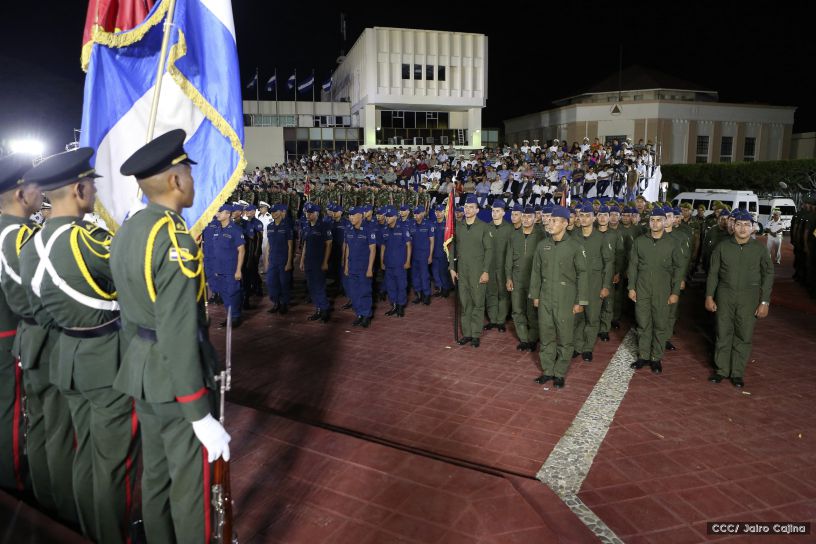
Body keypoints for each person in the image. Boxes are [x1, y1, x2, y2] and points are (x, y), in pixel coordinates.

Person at [110, 129, 230, 543]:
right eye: (189, 174)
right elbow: (179, 331)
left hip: (142, 373)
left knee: (156, 477)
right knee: (189, 487)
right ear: (177, 181)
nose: (194, 181)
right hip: (177, 382)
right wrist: (199, 413)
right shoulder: (173, 238)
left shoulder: (129, 230)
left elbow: (128, 313)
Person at [24, 148, 140, 543]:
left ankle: (86, 526)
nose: (93, 191)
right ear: (78, 188)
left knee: (85, 456)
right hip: (104, 360)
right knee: (113, 463)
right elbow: (131, 278)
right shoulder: (82, 240)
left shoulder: (31, 246)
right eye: (90, 185)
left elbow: (38, 313)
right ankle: (112, 535)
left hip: (66, 357)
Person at [0, 155, 77, 524]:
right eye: (34, 187)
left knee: (30, 420)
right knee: (22, 417)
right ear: (20, 192)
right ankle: (23, 485)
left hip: (15, 336)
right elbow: (24, 298)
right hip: (22, 336)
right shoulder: (14, 234)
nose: (39, 193)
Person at [705, 209, 773, 387]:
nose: (742, 228)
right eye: (739, 224)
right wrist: (709, 296)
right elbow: (713, 274)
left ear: (753, 228)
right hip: (725, 294)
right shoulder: (722, 247)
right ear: (733, 226)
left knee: (743, 334)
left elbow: (768, 275)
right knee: (723, 332)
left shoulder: (759, 249)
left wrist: (764, 301)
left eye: (747, 225)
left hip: (749, 297)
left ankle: (737, 372)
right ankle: (721, 370)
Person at [529, 205, 588, 388]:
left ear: (564, 223)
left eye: (554, 221)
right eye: (550, 220)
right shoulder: (542, 246)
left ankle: (560, 372)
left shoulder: (575, 247)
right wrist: (535, 295)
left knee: (564, 337)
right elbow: (536, 272)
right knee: (546, 335)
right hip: (546, 296)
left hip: (566, 298)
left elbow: (583, 274)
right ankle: (547, 370)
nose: (549, 223)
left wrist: (581, 301)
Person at [0, 155, 31, 494]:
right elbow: (26, 294)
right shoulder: (17, 235)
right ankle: (12, 481)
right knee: (10, 412)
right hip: (9, 333)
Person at [627, 208, 684, 374]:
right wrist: (631, 287)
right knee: (643, 323)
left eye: (659, 220)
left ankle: (656, 358)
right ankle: (643, 356)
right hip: (643, 289)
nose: (655, 223)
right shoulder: (640, 242)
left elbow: (678, 269)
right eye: (653, 220)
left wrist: (674, 292)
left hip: (663, 290)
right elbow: (633, 266)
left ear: (665, 222)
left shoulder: (673, 243)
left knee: (660, 325)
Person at [449, 194, 493, 348]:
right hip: (462, 270)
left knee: (477, 303)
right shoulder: (458, 226)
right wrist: (452, 268)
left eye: (471, 207)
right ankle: (467, 333)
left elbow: (489, 250)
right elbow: (453, 248)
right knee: (465, 303)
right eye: (466, 207)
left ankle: (475, 334)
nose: (467, 210)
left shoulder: (483, 227)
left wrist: (486, 271)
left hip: (477, 270)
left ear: (477, 210)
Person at [572, 204, 613, 362]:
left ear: (594, 218)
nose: (584, 219)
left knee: (592, 318)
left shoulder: (601, 238)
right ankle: (577, 346)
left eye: (587, 216)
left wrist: (605, 286)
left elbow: (608, 263)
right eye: (581, 216)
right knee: (577, 318)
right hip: (576, 285)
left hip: (595, 284)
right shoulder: (573, 237)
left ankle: (588, 348)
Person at [506, 205, 546, 352]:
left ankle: (532, 338)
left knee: (532, 311)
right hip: (517, 278)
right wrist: (508, 278)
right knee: (517, 309)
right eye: (524, 216)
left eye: (530, 217)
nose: (527, 219)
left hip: (534, 280)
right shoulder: (514, 235)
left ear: (535, 218)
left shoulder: (541, 235)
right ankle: (523, 338)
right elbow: (508, 259)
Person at [209, 204, 245, 327]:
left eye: (221, 212)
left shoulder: (235, 229)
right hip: (219, 269)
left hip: (231, 269)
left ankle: (236, 317)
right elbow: (216, 251)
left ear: (228, 214)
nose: (218, 214)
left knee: (232, 293)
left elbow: (241, 250)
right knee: (224, 293)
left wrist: (238, 270)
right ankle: (230, 316)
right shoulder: (217, 229)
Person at [344, 207, 377, 327]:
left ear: (360, 216)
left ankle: (366, 315)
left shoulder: (368, 229)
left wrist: (369, 268)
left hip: (364, 267)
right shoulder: (349, 230)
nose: (351, 218)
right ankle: (359, 314)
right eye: (350, 215)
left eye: (353, 215)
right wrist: (346, 266)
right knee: (354, 292)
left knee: (364, 292)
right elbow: (348, 248)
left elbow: (373, 249)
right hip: (352, 266)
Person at [484, 199, 513, 332]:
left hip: (503, 267)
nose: (494, 213)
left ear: (503, 213)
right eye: (493, 211)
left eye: (497, 211)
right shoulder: (486, 228)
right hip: (489, 266)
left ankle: (501, 320)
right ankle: (493, 319)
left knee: (503, 294)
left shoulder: (509, 229)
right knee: (491, 293)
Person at [301, 202, 332, 322]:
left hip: (319, 261)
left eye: (310, 213)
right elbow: (305, 244)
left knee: (319, 286)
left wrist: (325, 262)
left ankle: (324, 310)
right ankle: (318, 309)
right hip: (309, 261)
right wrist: (302, 260)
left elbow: (329, 245)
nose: (308, 215)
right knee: (311, 286)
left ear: (317, 213)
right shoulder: (306, 226)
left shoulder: (324, 226)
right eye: (306, 212)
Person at [381, 208, 412, 317]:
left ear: (395, 217)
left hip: (400, 263)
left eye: (389, 216)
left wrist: (408, 261)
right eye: (386, 216)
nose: (387, 218)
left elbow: (409, 246)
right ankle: (394, 305)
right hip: (389, 263)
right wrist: (382, 261)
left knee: (401, 285)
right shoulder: (385, 229)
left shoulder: (403, 228)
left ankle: (400, 306)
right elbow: (383, 247)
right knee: (390, 286)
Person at [266, 204, 293, 314]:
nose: (274, 213)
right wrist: (266, 259)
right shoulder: (270, 226)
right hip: (273, 259)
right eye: (272, 212)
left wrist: (289, 262)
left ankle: (284, 304)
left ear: (281, 212)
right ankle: (276, 302)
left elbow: (291, 246)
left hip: (283, 259)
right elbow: (268, 244)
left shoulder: (287, 227)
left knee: (284, 282)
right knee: (272, 282)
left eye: (276, 211)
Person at [409, 206, 434, 305]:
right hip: (414, 255)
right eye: (415, 213)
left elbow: (432, 241)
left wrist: (430, 255)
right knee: (415, 276)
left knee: (424, 275)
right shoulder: (411, 225)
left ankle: (427, 295)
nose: (416, 215)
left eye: (418, 213)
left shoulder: (428, 224)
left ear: (423, 213)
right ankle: (418, 294)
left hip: (424, 254)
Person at [431, 204, 453, 297]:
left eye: (440, 211)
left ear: (444, 212)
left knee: (443, 272)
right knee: (435, 272)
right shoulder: (432, 224)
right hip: (434, 252)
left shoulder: (448, 225)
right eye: (437, 211)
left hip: (444, 253)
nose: (438, 213)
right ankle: (439, 288)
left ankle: (446, 288)